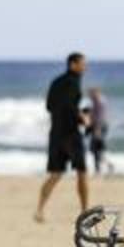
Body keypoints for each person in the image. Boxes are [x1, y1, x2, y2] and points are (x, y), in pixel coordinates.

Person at [34, 53, 90, 223]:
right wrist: (83, 118)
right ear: (73, 65)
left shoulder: (56, 81)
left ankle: (39, 210)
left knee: (56, 174)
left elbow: (49, 106)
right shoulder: (73, 82)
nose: (85, 67)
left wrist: (71, 113)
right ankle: (84, 212)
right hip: (71, 134)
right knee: (82, 172)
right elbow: (70, 106)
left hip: (56, 134)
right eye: (82, 64)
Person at [84, 87, 110, 175]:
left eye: (91, 94)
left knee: (96, 149)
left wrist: (97, 129)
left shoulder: (99, 102)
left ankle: (100, 168)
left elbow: (100, 117)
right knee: (96, 149)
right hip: (97, 126)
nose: (89, 96)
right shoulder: (96, 102)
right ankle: (103, 166)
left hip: (99, 127)